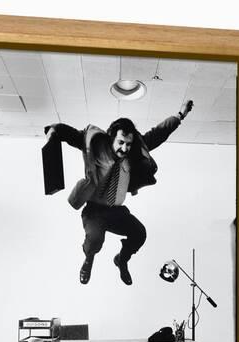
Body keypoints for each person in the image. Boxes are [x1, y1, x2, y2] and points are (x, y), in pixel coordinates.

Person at [45, 100, 194, 285]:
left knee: (140, 234)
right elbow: (72, 135)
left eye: (129, 144)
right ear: (111, 137)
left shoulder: (132, 154)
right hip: (94, 211)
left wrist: (179, 116)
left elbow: (157, 134)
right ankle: (89, 258)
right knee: (95, 240)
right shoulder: (96, 146)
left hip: (116, 211)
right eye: (121, 142)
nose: (124, 148)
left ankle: (121, 260)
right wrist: (54, 130)